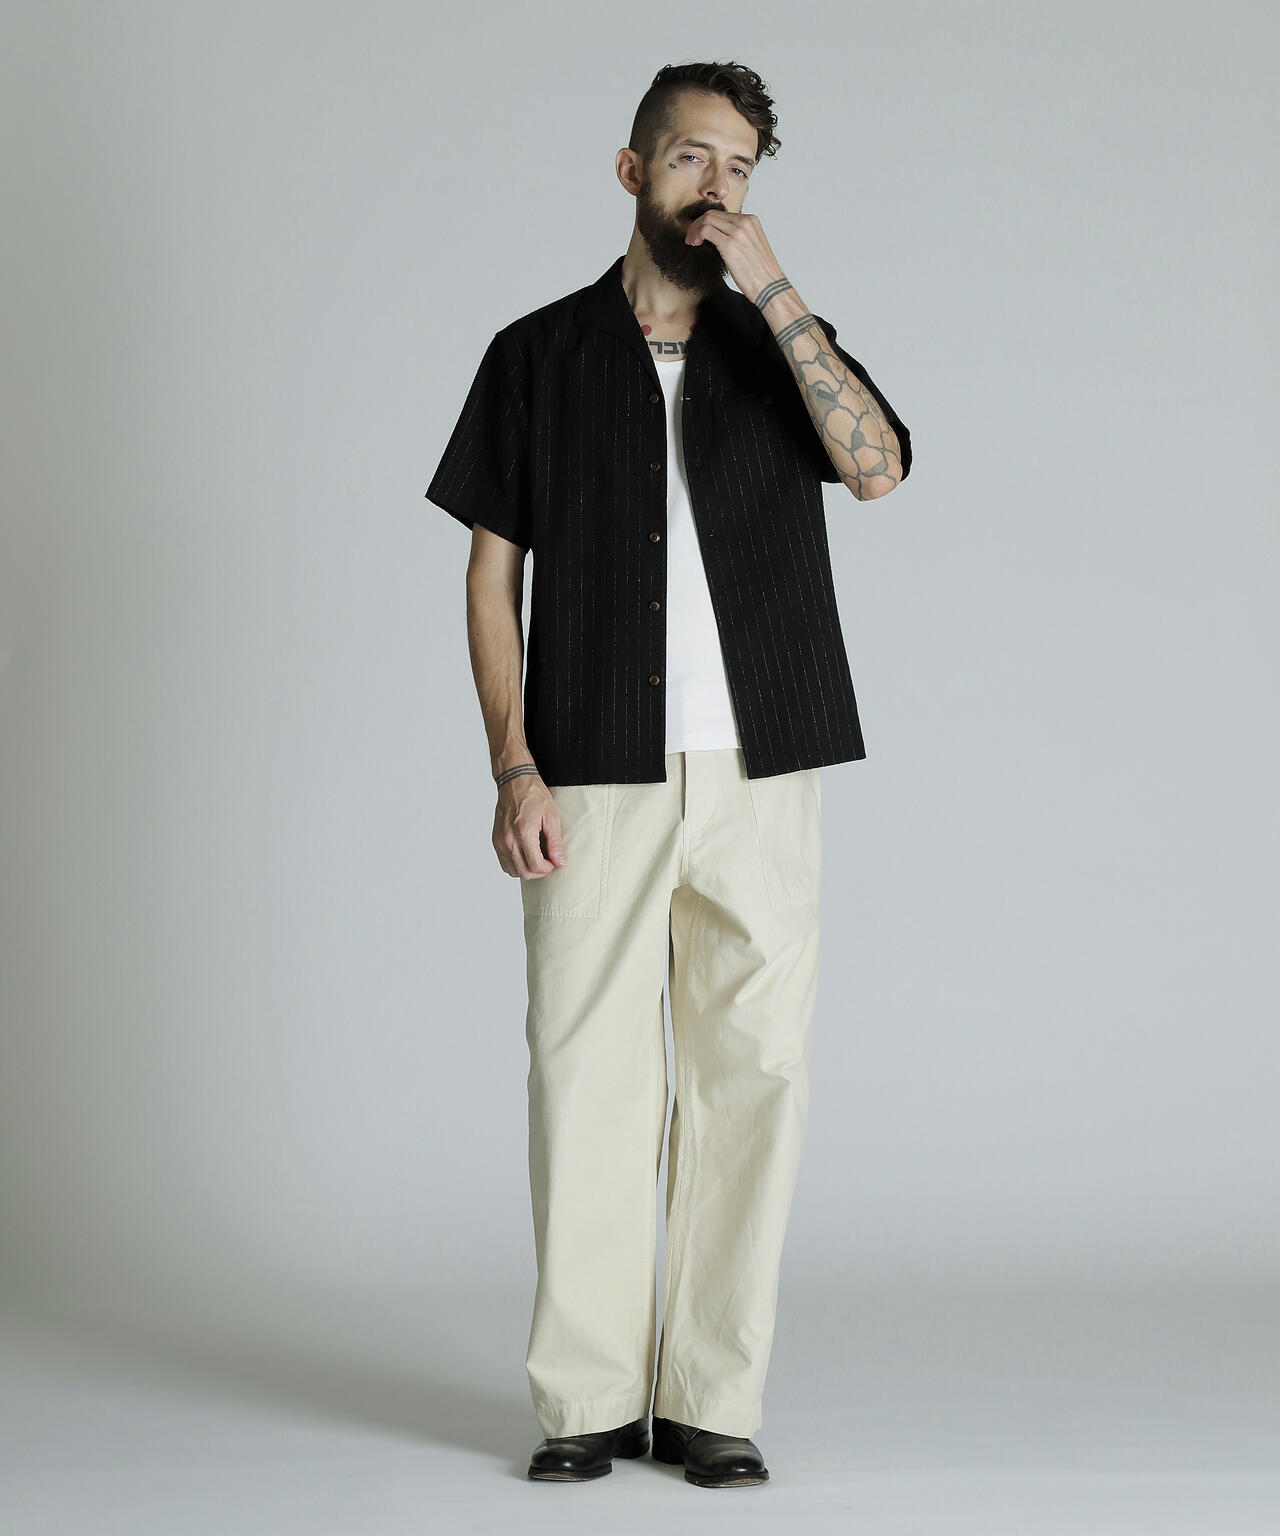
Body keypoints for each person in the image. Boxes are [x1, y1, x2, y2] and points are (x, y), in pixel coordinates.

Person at [425, 60, 912, 1490]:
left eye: (741, 168)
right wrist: (513, 763)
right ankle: (584, 1399)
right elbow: (490, 573)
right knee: (587, 1076)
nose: (718, 187)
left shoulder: (782, 345)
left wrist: (778, 291)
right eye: (694, 157)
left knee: (754, 1074)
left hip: (765, 765)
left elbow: (879, 469)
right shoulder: (537, 355)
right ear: (633, 168)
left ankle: (710, 1396)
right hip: (591, 767)